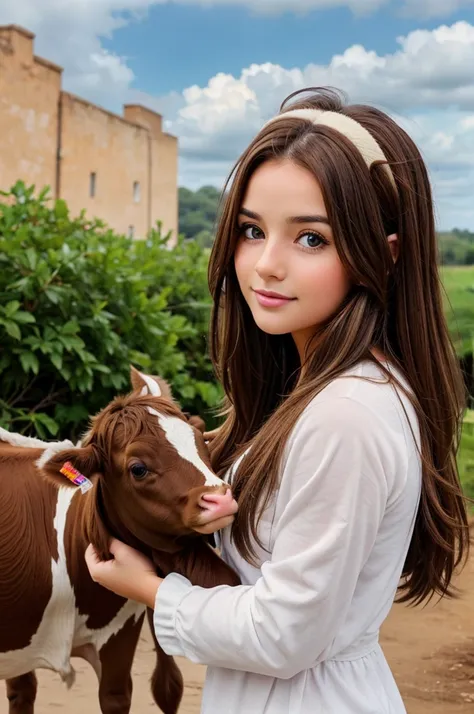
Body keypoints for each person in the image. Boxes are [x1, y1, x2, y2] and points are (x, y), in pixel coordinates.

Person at [85, 86, 470, 713]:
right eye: (251, 230)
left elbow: (283, 635)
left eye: (311, 238)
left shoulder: (346, 414)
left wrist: (154, 592)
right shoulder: (315, 391)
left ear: (386, 253)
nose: (266, 265)